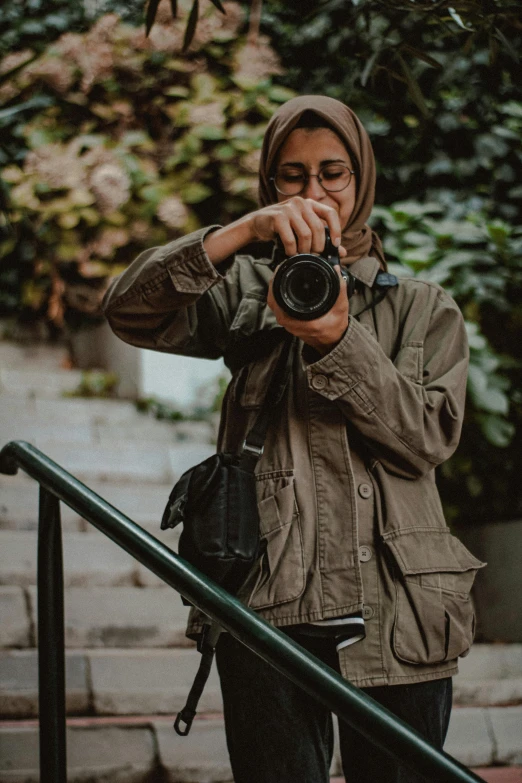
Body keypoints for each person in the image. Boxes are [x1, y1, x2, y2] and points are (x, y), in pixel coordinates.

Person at [102, 95, 484, 783]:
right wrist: (239, 234)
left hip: (399, 608)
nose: (315, 193)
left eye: (333, 173)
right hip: (267, 601)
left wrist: (339, 340)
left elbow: (429, 436)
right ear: (270, 183)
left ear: (361, 178)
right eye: (292, 176)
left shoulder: (422, 306)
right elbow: (128, 310)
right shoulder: (247, 289)